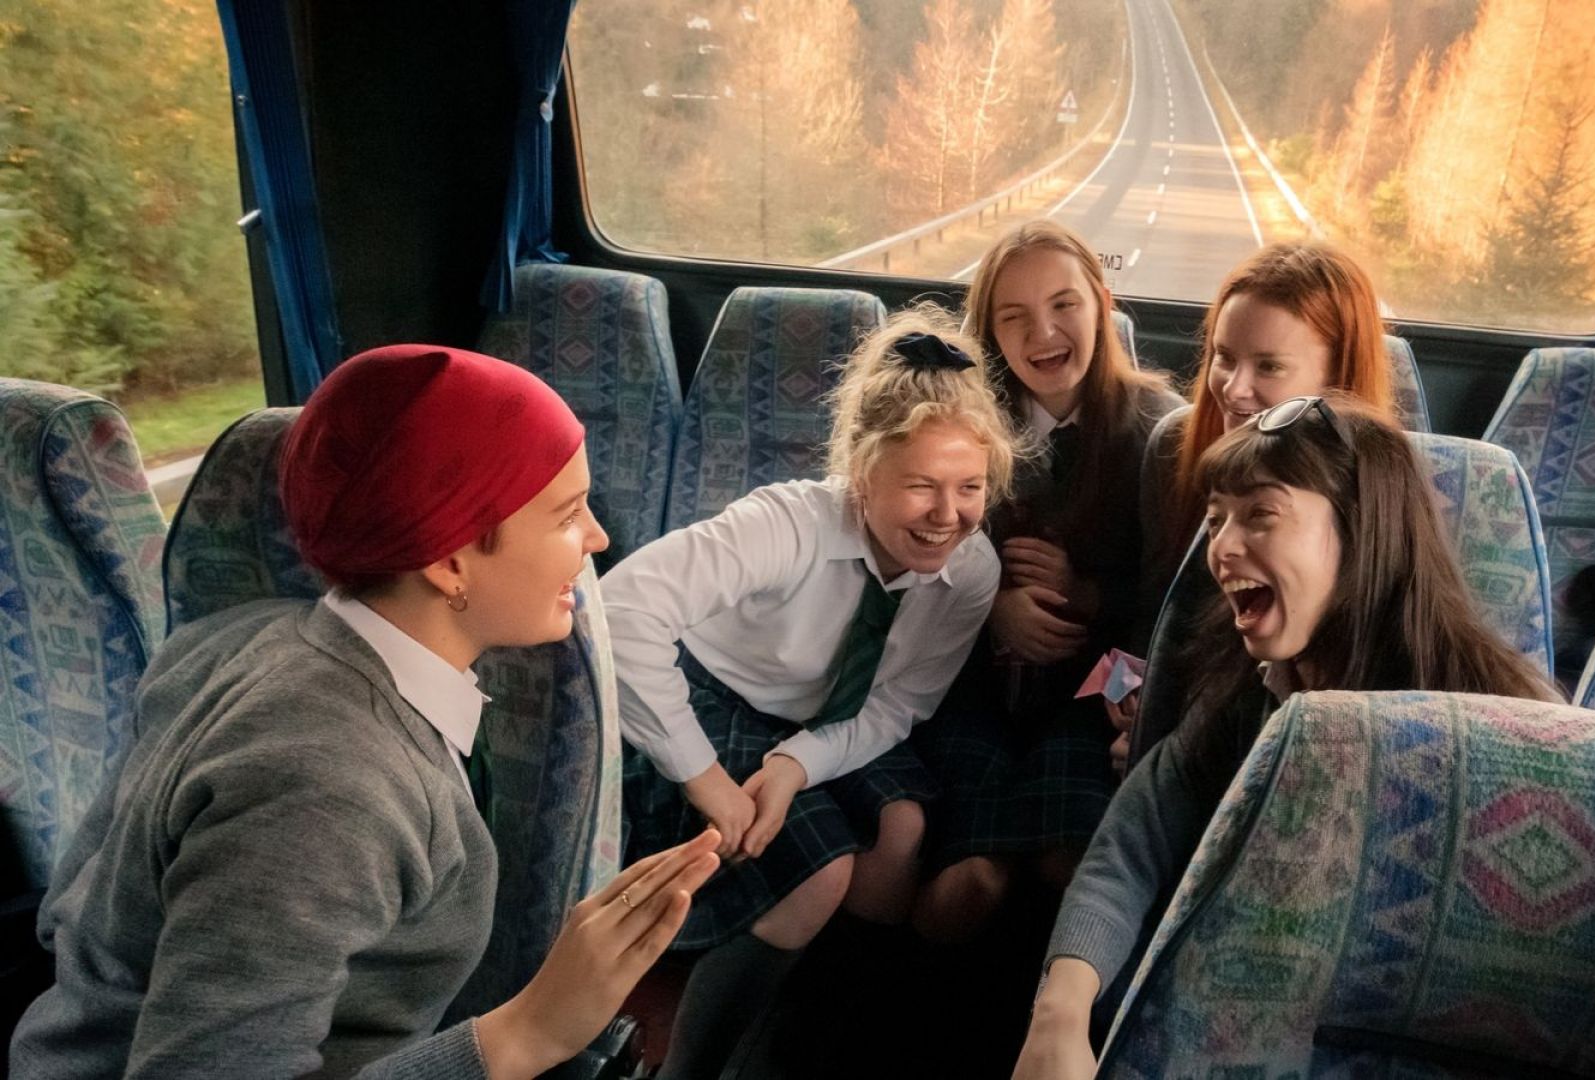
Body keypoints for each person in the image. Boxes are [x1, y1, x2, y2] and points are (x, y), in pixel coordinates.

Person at [10, 344, 721, 1079]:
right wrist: (523, 1035)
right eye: (568, 515)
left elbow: (74, 905)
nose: (598, 540)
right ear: (448, 561)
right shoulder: (328, 787)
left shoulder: (236, 638)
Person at [1011, 395, 1561, 1080]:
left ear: (1363, 531)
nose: (1221, 549)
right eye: (1216, 521)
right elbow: (1132, 846)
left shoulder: (1503, 724)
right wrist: (1058, 1013)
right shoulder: (1246, 684)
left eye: (1261, 516)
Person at [601, 306, 1018, 1080]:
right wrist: (707, 779)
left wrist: (796, 765)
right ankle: (696, 1062)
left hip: (831, 714)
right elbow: (623, 609)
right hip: (714, 694)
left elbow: (897, 705)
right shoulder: (789, 523)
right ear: (862, 475)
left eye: (970, 488)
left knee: (901, 829)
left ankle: (823, 1033)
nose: (948, 516)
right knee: (817, 872)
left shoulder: (972, 567)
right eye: (922, 486)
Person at [912, 221, 1183, 945]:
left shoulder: (1159, 431)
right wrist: (992, 609)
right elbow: (912, 564)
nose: (1044, 333)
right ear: (989, 334)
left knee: (1072, 865)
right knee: (970, 882)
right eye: (1014, 317)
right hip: (969, 688)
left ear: (1102, 304)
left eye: (1064, 305)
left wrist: (1090, 596)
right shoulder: (962, 427)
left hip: (1091, 698)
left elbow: (1171, 602)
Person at [1113, 242, 1397, 766]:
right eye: (1224, 358)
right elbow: (1157, 611)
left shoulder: (1386, 486)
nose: (1234, 389)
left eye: (1268, 366)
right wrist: (1135, 700)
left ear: (1336, 379)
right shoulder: (1174, 447)